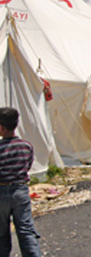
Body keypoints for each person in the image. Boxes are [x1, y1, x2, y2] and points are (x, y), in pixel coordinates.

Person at [0, 107, 42, 257]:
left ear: (1, 127)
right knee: (26, 230)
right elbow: (28, 166)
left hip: (2, 192)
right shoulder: (26, 146)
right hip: (20, 190)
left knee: (2, 234)